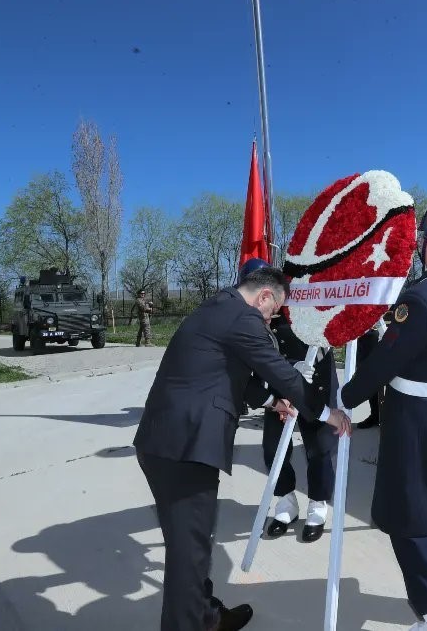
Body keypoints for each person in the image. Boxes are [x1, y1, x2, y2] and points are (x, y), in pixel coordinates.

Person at [133, 266, 352, 631]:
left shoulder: (218, 307)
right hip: (185, 448)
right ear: (264, 297)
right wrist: (327, 413)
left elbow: (235, 376)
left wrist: (273, 403)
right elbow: (279, 370)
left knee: (189, 547)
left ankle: (206, 615)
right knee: (190, 554)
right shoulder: (242, 317)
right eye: (271, 311)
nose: (269, 320)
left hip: (164, 441)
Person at [337, 195, 427, 630]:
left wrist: (342, 399)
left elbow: (383, 366)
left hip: (417, 419)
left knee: (411, 520)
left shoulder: (423, 298)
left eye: (424, 237)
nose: (420, 244)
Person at [238, 258, 338, 543]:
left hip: (314, 383)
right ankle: (286, 502)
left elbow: (327, 338)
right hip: (280, 389)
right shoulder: (248, 315)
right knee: (272, 448)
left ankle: (318, 504)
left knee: (318, 447)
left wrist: (301, 368)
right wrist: (276, 393)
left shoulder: (302, 303)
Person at [354, 325, 382, 429]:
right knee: (368, 377)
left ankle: (385, 416)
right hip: (363, 333)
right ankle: (376, 415)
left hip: (380, 329)